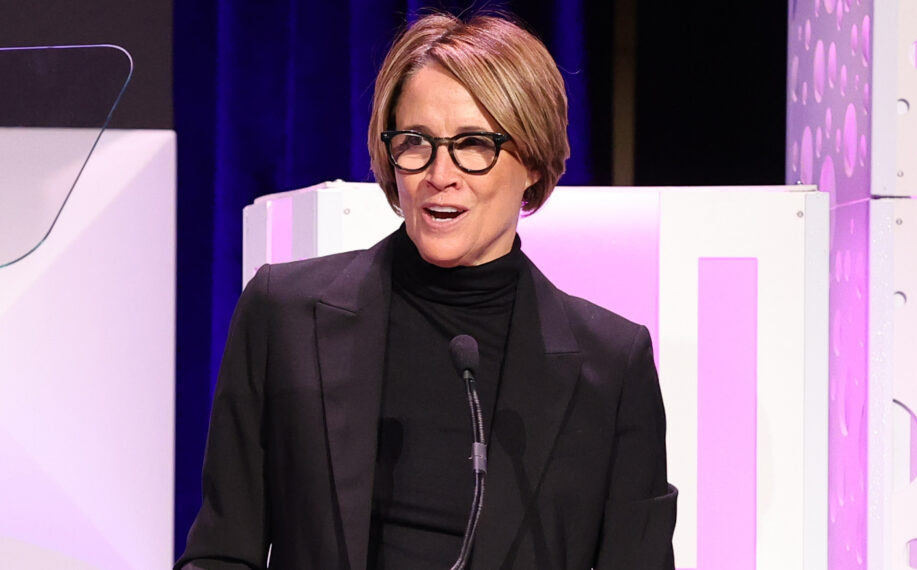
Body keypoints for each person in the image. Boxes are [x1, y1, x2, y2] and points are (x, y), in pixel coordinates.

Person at [177, 11, 676, 570]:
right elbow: (223, 554)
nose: (440, 172)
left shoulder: (610, 368)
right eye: (416, 142)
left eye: (472, 143)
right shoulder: (284, 316)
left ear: (533, 161)